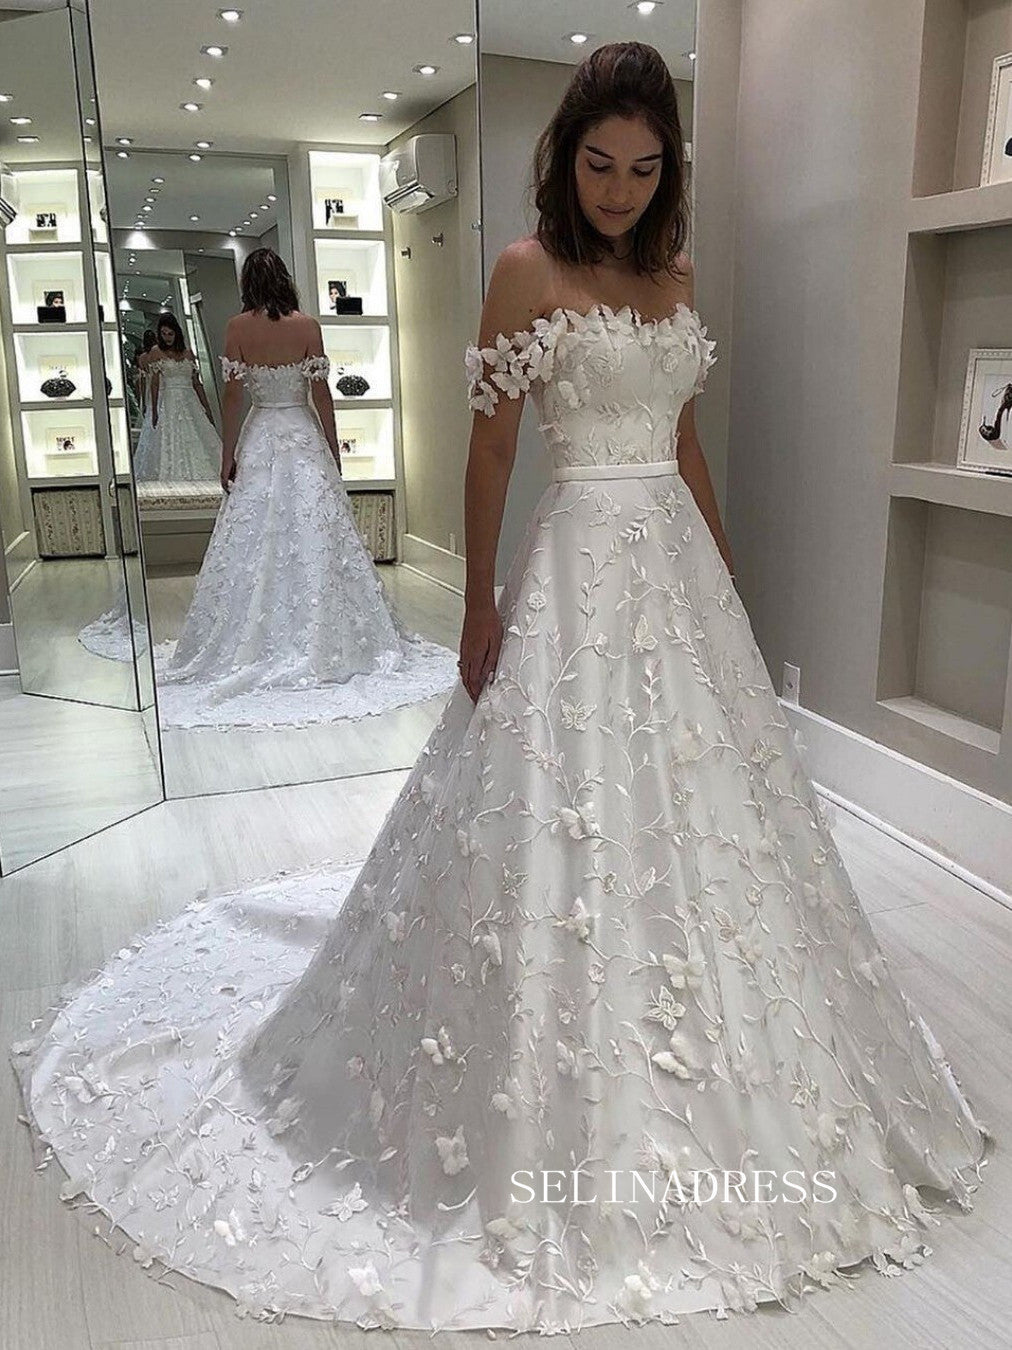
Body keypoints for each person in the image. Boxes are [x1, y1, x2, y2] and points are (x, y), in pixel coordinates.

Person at [13, 43, 991, 1334]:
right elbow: (489, 451)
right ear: (563, 157)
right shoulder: (525, 270)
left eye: (644, 169)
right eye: (600, 164)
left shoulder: (676, 276)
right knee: (554, 794)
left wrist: (725, 577)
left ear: (670, 173)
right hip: (576, 556)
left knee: (708, 806)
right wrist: (478, 601)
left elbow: (686, 442)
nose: (620, 190)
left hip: (672, 566)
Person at [153, 247, 457, 728]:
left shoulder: (237, 327)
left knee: (254, 536)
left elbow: (232, 396)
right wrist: (333, 449)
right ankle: (328, 637)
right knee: (317, 535)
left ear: (248, 284)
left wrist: (226, 454)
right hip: (301, 435)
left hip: (260, 433)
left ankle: (250, 640)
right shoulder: (308, 326)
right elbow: (321, 394)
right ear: (285, 280)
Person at [135, 312, 220, 482]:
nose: (167, 338)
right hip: (168, 401)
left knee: (198, 434)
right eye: (164, 334)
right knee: (171, 437)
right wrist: (154, 410)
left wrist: (207, 407)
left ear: (177, 333)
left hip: (190, 400)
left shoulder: (188, 354)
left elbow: (197, 383)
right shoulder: (156, 352)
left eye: (170, 334)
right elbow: (154, 383)